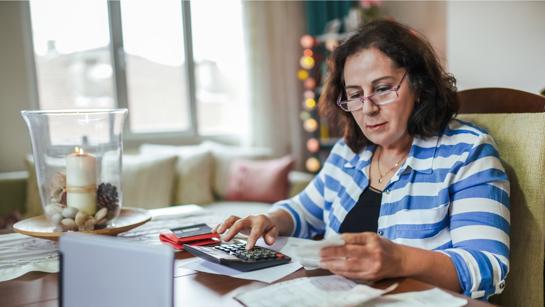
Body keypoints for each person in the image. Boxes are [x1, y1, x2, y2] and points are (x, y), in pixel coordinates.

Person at [214, 19, 510, 300]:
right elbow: (305, 211)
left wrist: (400, 259)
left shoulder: (467, 152)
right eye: (355, 94)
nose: (367, 109)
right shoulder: (349, 151)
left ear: (419, 86)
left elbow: (487, 266)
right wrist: (270, 219)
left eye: (382, 89)